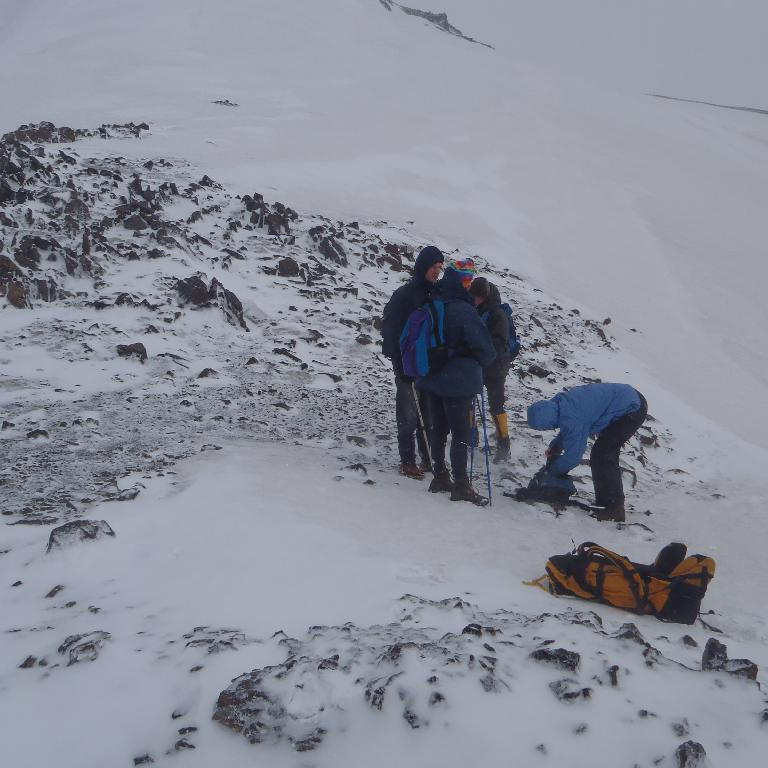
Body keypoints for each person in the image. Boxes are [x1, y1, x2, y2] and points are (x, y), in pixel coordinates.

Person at [415, 258, 496, 505]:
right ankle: (461, 484)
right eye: (468, 280)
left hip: (432, 377)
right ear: (463, 282)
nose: (470, 286)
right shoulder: (464, 310)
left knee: (438, 429)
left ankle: (440, 476)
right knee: (461, 432)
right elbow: (485, 349)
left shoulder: (434, 301)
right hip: (458, 380)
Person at [526, 383, 648, 521]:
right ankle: (606, 502)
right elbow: (569, 429)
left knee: (603, 453)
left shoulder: (573, 418)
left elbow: (573, 457)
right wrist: (556, 446)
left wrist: (553, 470)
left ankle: (614, 509)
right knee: (601, 452)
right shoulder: (561, 404)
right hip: (628, 397)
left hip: (632, 408)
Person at [381, 245, 444, 478]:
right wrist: (398, 361)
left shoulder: (435, 293)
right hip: (407, 365)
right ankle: (407, 460)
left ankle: (427, 458)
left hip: (428, 365)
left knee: (428, 414)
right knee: (408, 413)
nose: (436, 272)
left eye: (439, 268)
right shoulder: (405, 294)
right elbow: (390, 328)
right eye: (433, 267)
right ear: (423, 266)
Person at [468, 277, 512, 463]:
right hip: (484, 365)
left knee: (496, 405)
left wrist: (480, 351)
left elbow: (500, 343)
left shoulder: (497, 314)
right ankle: (472, 438)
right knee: (472, 400)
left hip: (495, 367)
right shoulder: (477, 310)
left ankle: (503, 444)